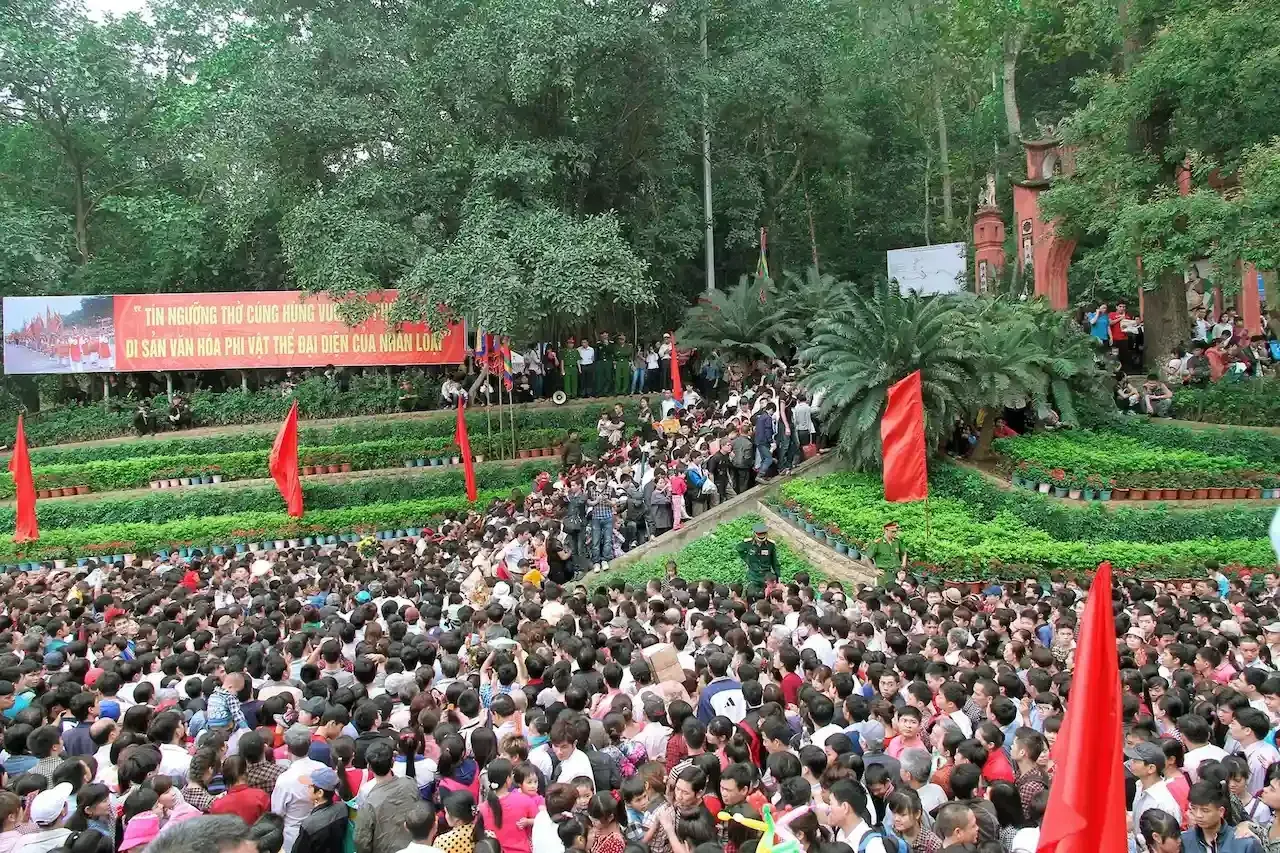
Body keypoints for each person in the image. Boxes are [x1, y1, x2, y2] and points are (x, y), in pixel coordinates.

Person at [289, 766, 348, 853]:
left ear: (320, 793)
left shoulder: (310, 824)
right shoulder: (342, 808)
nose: (307, 788)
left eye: (310, 786)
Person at [736, 523, 779, 588]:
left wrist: (778, 576)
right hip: (753, 575)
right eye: (759, 534)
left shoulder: (771, 545)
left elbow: (774, 561)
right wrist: (746, 559)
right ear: (754, 534)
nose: (761, 537)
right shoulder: (748, 543)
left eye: (763, 534)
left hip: (766, 575)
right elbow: (739, 549)